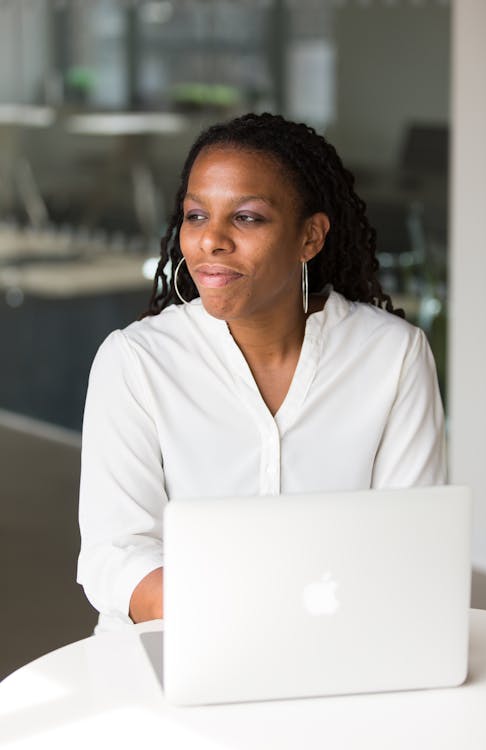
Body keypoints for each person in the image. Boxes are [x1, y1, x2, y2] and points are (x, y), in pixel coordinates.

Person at [77, 113, 446, 631]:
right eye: (196, 215)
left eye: (247, 217)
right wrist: (227, 619)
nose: (211, 241)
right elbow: (114, 552)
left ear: (310, 237)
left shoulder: (391, 356)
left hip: (343, 647)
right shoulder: (137, 360)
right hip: (175, 648)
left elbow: (411, 543)